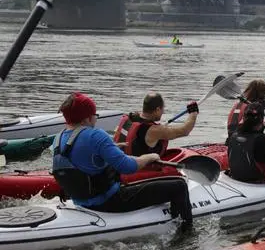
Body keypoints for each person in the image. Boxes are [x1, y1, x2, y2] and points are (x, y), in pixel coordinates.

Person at [52, 92, 193, 229]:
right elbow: (128, 167)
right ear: (87, 118)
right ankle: (185, 236)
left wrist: (110, 148)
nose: (96, 119)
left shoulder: (58, 138)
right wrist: (150, 157)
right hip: (109, 202)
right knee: (179, 186)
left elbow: (82, 158)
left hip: (79, 201)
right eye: (94, 115)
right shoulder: (95, 135)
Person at [113, 92, 199, 158]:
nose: (163, 112)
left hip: (121, 162)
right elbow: (185, 130)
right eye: (162, 109)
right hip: (140, 171)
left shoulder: (129, 118)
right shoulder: (155, 130)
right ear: (157, 109)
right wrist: (193, 113)